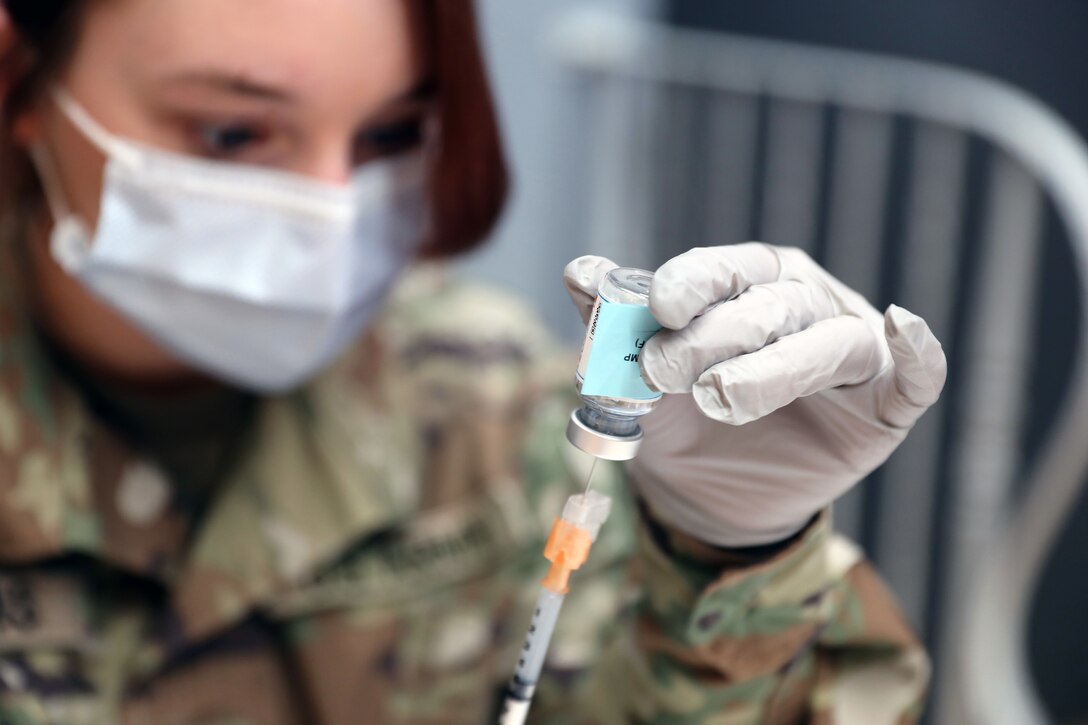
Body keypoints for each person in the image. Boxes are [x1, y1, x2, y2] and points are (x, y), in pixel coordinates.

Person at [0, 0, 947, 722]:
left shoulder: (481, 395)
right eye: (232, 132)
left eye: (390, 134)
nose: (333, 213)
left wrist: (737, 557)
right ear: (24, 77)